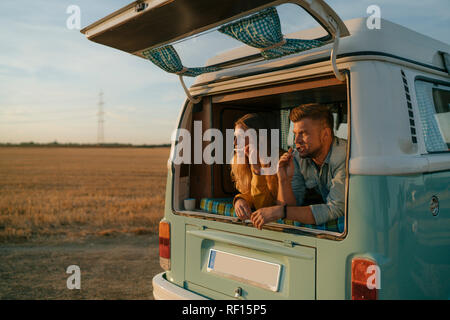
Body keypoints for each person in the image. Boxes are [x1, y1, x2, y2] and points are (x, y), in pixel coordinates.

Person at [251, 103, 347, 230]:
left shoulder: (345, 157)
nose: (296, 141)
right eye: (295, 134)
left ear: (325, 134)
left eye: (303, 133)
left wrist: (281, 212)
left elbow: (335, 209)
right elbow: (291, 207)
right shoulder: (297, 158)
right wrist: (284, 179)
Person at [231, 113, 282, 220]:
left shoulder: (280, 160)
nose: (235, 142)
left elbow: (263, 205)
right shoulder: (239, 162)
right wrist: (240, 199)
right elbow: (250, 193)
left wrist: (256, 170)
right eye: (235, 137)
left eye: (240, 137)